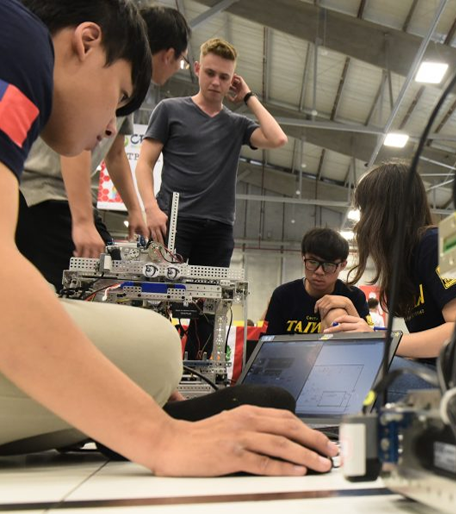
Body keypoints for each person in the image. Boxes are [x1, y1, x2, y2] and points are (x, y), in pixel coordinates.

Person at [0, 0, 335, 476]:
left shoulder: (21, 49)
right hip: (159, 218)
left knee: (150, 352)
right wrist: (160, 438)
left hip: (210, 223)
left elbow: (275, 139)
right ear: (86, 42)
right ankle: (139, 411)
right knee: (156, 349)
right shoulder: (23, 46)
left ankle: (124, 410)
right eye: (118, 96)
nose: (111, 127)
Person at [15, 5, 191, 291]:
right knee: (90, 286)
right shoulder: (104, 67)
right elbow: (78, 146)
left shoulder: (115, 75)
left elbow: (116, 153)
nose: (109, 126)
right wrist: (82, 220)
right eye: (120, 95)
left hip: (61, 197)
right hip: (46, 194)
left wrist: (136, 210)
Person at [136, 37, 287, 359]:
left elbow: (277, 138)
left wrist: (247, 97)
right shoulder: (170, 109)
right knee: (157, 299)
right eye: (211, 73)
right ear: (197, 69)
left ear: (233, 80)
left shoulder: (236, 124)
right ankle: (150, 362)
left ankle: (198, 371)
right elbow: (144, 163)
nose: (216, 82)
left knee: (208, 309)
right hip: (172, 220)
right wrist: (150, 208)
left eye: (224, 77)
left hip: (218, 226)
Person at [325, 161, 456, 362]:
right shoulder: (405, 260)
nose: (361, 222)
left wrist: (382, 341)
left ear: (383, 211)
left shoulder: (433, 244)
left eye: (365, 209)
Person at [263, 228, 372, 335]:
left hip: (339, 352)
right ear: (303, 257)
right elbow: (267, 343)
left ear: (342, 265)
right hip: (291, 353)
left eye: (329, 265)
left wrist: (347, 304)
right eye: (312, 262)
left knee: (337, 314)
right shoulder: (284, 296)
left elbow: (368, 340)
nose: (319, 271)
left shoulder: (354, 296)